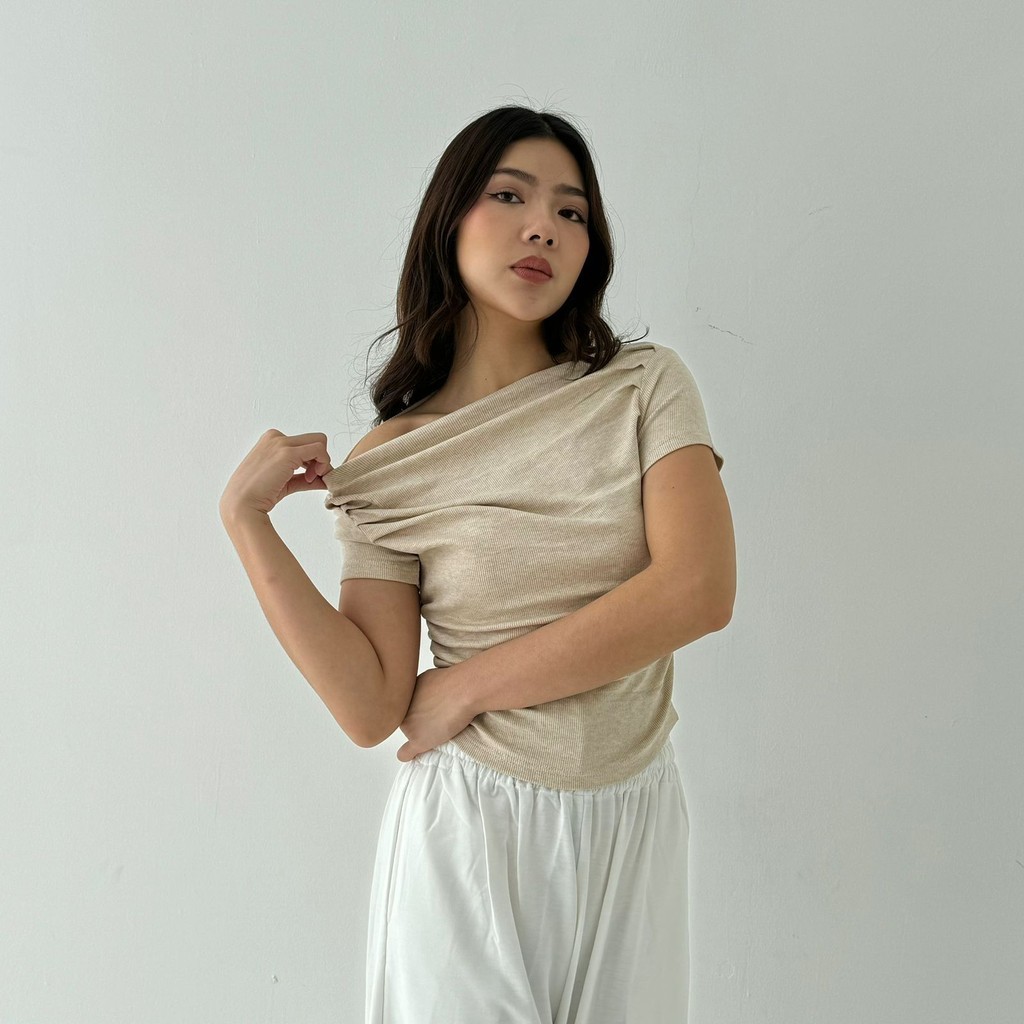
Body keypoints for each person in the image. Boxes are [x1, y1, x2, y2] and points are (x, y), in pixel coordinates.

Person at [220, 104, 736, 1023]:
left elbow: (698, 592)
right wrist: (246, 521)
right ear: (448, 219)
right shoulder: (393, 459)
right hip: (469, 835)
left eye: (572, 212)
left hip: (634, 821)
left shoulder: (644, 385)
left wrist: (467, 686)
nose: (544, 226)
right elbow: (370, 706)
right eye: (510, 196)